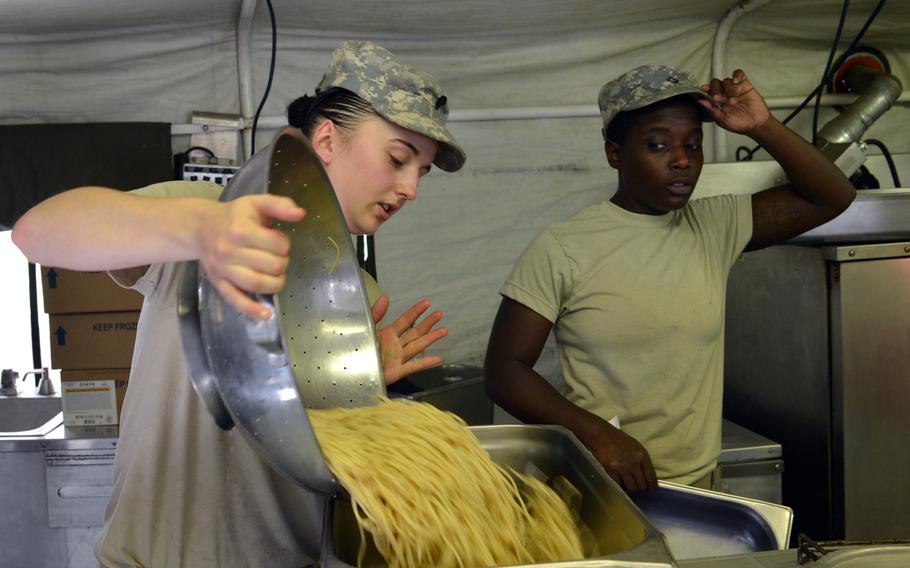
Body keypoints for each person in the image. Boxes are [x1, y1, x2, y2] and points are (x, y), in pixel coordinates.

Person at [12, 41, 466, 567]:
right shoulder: (209, 216)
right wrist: (199, 230)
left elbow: (301, 444)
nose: (410, 188)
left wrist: (360, 387)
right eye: (397, 159)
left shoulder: (357, 293)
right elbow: (37, 232)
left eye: (422, 172)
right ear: (325, 138)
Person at [484, 65, 855, 494]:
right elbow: (505, 371)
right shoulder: (563, 246)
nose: (681, 160)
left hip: (700, 487)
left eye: (693, 145)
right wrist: (597, 435)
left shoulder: (715, 225)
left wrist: (762, 127)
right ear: (615, 154)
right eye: (657, 144)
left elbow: (834, 196)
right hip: (603, 488)